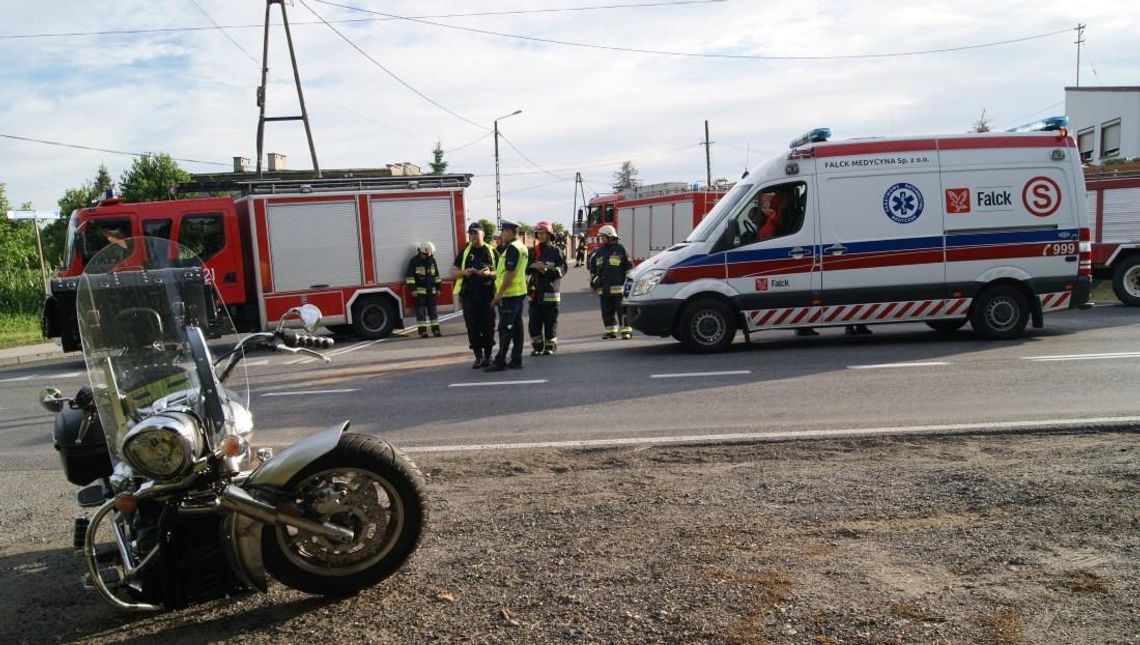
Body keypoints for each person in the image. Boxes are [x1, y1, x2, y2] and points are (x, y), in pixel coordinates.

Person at [452, 222, 498, 368]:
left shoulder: (491, 251)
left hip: (487, 295)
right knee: (472, 327)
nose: (473, 236)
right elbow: (453, 271)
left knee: (488, 326)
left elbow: (502, 271)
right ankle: (478, 357)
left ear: (482, 234)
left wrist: (489, 273)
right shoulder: (465, 252)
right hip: (469, 296)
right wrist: (464, 273)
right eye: (471, 233)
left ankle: (488, 356)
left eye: (475, 233)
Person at [486, 220, 530, 371]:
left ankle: (500, 361)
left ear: (509, 232)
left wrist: (499, 294)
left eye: (503, 232)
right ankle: (516, 360)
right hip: (519, 292)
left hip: (510, 294)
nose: (501, 235)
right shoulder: (522, 246)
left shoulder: (512, 248)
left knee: (505, 328)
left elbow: (510, 273)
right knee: (517, 327)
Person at [526, 221, 568, 356]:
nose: (541, 235)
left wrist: (547, 271)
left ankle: (549, 347)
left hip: (550, 293)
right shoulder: (532, 251)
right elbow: (525, 270)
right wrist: (532, 267)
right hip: (535, 294)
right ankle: (537, 347)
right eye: (539, 233)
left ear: (549, 234)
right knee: (534, 323)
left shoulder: (556, 251)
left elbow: (562, 270)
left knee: (550, 323)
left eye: (543, 232)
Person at [589, 224, 632, 339]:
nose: (601, 239)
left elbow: (628, 268)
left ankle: (626, 331)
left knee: (622, 311)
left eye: (603, 237)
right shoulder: (599, 252)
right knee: (606, 312)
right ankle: (610, 331)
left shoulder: (621, 249)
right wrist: (593, 284)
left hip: (619, 289)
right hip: (603, 289)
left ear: (610, 236)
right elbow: (593, 269)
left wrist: (628, 286)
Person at [405, 241, 443, 338]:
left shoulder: (432, 261)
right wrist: (412, 289)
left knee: (433, 313)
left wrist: (438, 288)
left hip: (431, 292)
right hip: (420, 292)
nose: (431, 254)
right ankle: (423, 332)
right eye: (430, 252)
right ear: (424, 252)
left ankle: (436, 331)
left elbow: (436, 275)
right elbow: (410, 277)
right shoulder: (414, 261)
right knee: (421, 313)